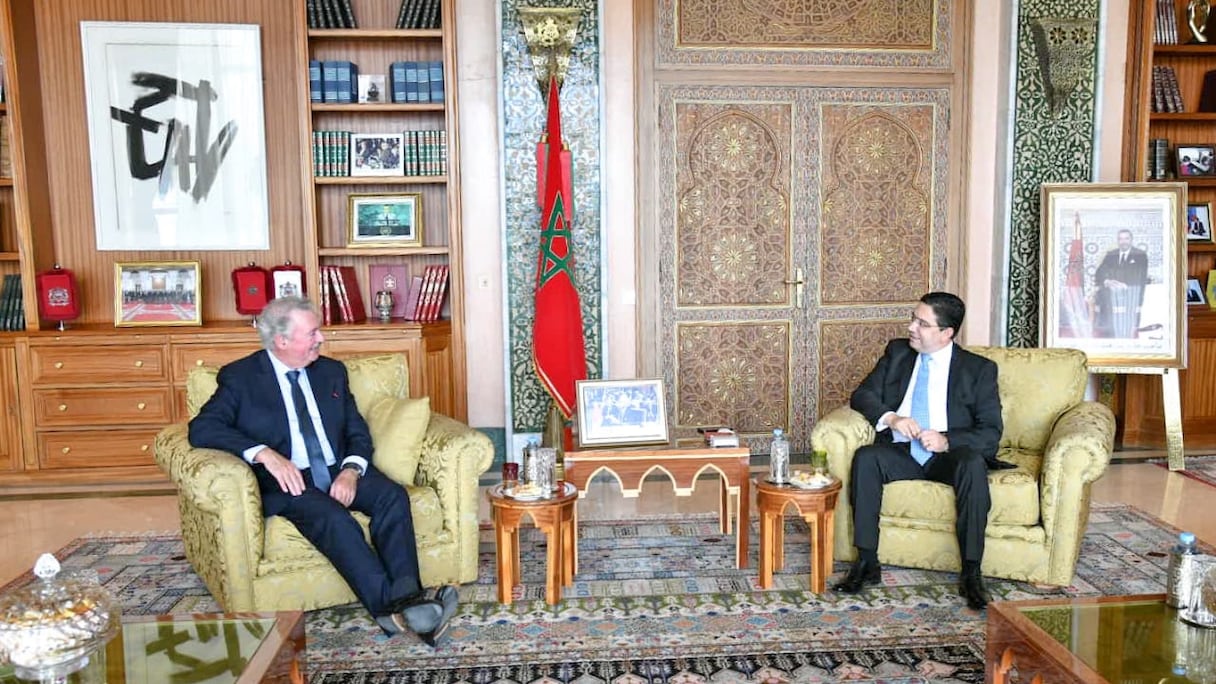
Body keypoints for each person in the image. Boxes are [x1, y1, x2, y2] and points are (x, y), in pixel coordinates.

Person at [188, 296, 457, 646]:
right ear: (281, 341)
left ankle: (407, 600)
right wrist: (264, 454)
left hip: (337, 466)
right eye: (312, 332)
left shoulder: (331, 372)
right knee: (334, 518)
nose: (321, 339)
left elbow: (356, 432)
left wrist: (350, 470)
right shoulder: (240, 378)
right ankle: (399, 609)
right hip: (286, 481)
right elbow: (202, 428)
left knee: (392, 497)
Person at [833, 292, 1011, 610]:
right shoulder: (898, 353)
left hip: (947, 455)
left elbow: (990, 433)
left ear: (947, 333)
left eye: (922, 323)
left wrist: (947, 440)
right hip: (902, 450)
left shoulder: (979, 370)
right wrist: (893, 418)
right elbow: (863, 395)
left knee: (971, 462)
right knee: (866, 457)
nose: (911, 327)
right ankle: (867, 562)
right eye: (913, 318)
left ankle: (972, 571)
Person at [1092, 229, 1148, 339]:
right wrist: (1107, 281)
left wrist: (1122, 284)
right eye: (1120, 239)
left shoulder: (1140, 255)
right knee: (1107, 328)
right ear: (1118, 241)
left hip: (1130, 295)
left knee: (1126, 330)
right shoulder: (1111, 254)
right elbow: (1100, 272)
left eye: (1126, 238)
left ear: (1131, 240)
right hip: (1111, 298)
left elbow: (1140, 276)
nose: (1123, 242)